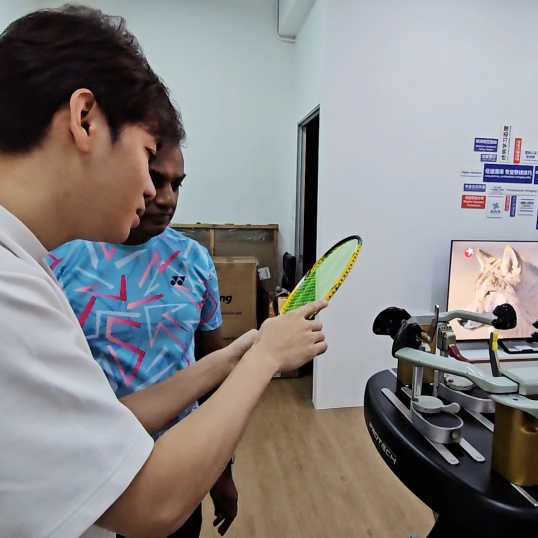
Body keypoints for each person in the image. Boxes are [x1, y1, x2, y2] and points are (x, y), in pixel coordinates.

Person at [0, 5, 328, 538]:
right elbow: (149, 504)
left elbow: (114, 420)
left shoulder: (23, 263)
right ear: (85, 119)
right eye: (148, 155)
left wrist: (238, 353)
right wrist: (267, 356)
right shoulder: (12, 288)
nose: (157, 193)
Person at [49, 143, 238, 537]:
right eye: (155, 180)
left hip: (180, 463)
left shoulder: (194, 260)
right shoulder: (60, 259)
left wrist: (222, 470)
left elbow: (214, 370)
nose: (168, 199)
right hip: (95, 471)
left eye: (177, 185)